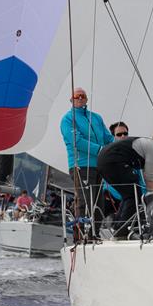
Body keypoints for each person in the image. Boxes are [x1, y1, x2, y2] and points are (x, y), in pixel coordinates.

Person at [97, 131, 153, 237]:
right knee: (133, 196)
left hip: (103, 160)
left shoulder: (147, 143)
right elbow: (149, 179)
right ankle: (121, 231)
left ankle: (118, 228)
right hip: (113, 161)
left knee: (128, 195)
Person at [60, 87, 114, 220]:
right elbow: (76, 141)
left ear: (86, 99)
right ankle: (83, 235)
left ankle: (95, 234)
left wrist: (118, 147)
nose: (80, 98)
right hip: (81, 166)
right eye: (77, 96)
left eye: (82, 96)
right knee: (85, 202)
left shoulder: (96, 117)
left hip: (99, 166)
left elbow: (108, 138)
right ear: (71, 99)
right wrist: (100, 150)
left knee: (99, 203)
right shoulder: (67, 119)